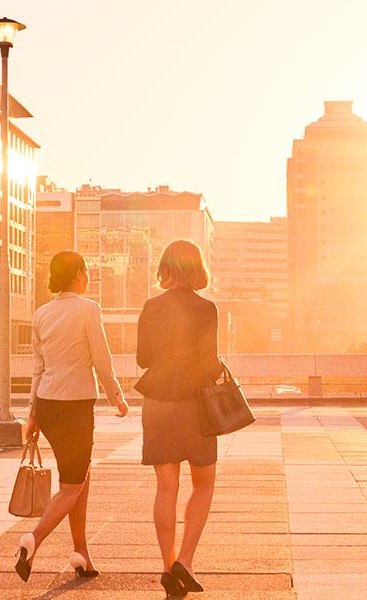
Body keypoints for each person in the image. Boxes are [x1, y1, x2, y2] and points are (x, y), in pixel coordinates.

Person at [14, 251, 130, 582]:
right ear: (79, 274)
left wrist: (33, 412)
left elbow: (39, 367)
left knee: (78, 476)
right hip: (76, 406)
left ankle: (81, 553)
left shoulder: (42, 314)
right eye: (87, 271)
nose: (89, 276)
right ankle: (31, 541)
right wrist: (117, 397)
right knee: (72, 484)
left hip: (49, 405)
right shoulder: (88, 309)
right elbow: (101, 358)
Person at [134, 240, 222, 597]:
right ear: (197, 267)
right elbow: (210, 361)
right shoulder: (207, 309)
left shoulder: (151, 307)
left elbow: (143, 358)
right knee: (203, 483)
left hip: (158, 403)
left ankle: (167, 564)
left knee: (165, 488)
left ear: (165, 267)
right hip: (196, 405)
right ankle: (185, 559)